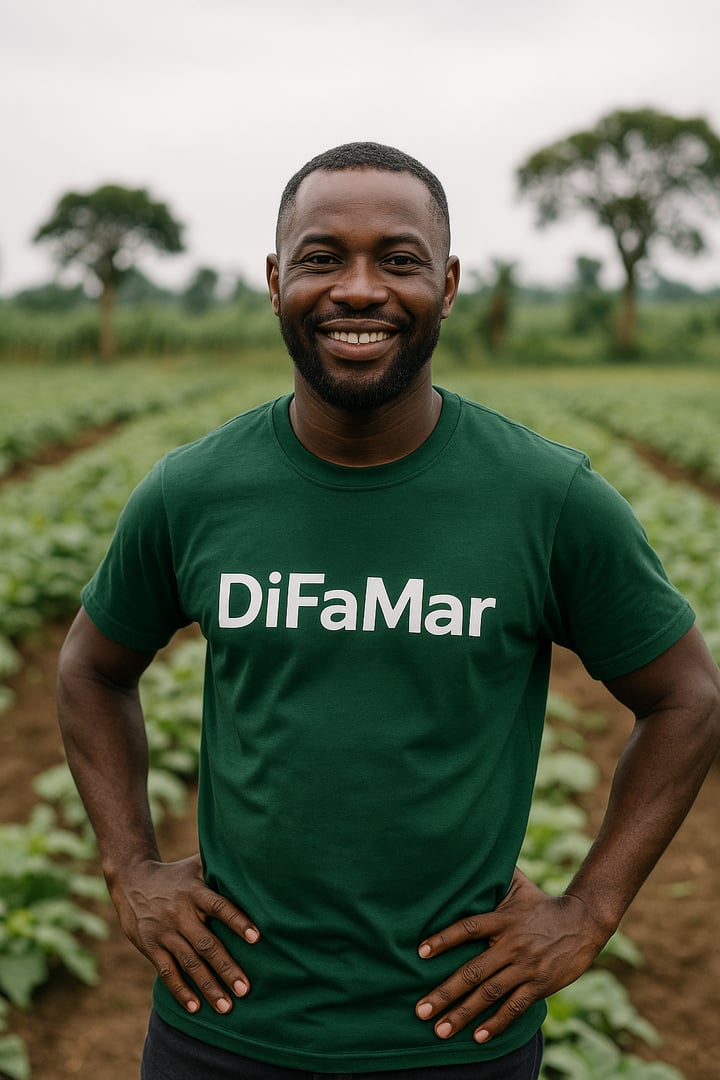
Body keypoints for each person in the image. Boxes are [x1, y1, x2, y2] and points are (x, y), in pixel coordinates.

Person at [57, 142, 720, 1080]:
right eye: (323, 257)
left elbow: (688, 696)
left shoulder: (546, 497)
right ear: (277, 278)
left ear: (446, 286)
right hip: (219, 1029)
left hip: (455, 1039)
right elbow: (91, 666)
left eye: (398, 260)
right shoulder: (194, 491)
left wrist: (588, 912)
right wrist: (130, 867)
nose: (358, 289)